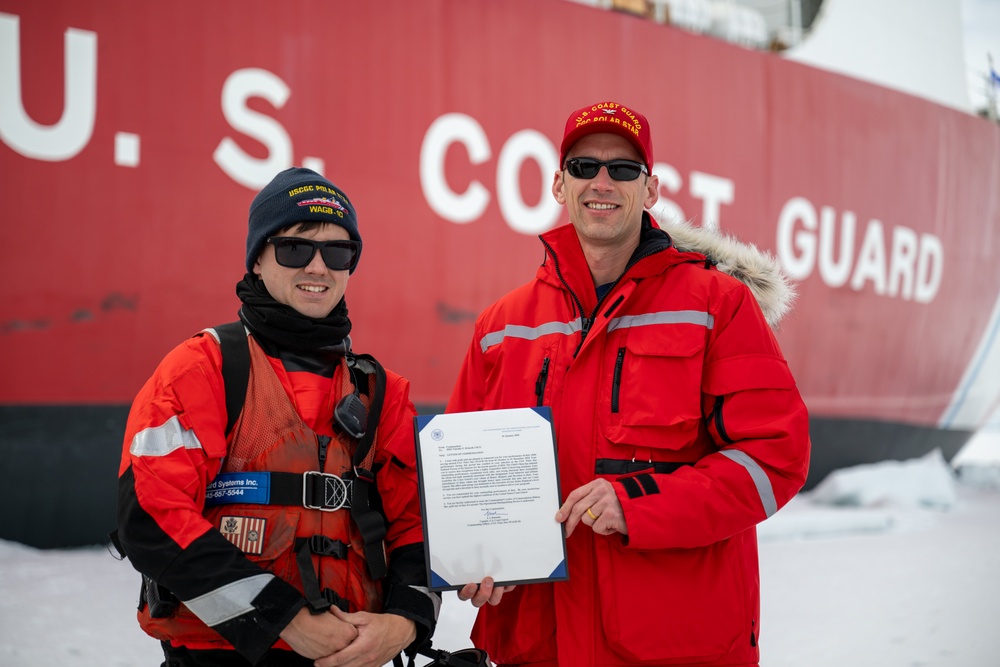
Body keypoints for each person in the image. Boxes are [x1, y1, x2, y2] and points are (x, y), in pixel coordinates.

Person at [447, 101, 810, 666]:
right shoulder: (501, 327)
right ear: (558, 185)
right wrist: (481, 560)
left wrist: (637, 503)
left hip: (676, 647)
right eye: (584, 167)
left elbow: (776, 457)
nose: (602, 182)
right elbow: (462, 482)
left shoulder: (718, 305)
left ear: (652, 189)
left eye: (623, 169)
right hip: (540, 648)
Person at [116, 167, 439, 667]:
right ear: (259, 260)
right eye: (295, 249)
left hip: (355, 656)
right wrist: (283, 618)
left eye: (337, 252)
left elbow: (416, 527)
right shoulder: (202, 369)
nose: (318, 267)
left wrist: (402, 623)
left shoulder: (384, 393)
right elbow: (151, 516)